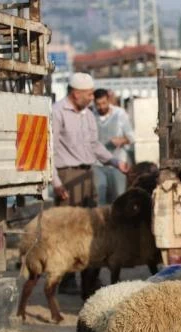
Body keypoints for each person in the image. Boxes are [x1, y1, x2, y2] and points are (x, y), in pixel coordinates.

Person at [51, 73, 129, 294]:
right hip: (67, 176)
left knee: (88, 229)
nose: (92, 97)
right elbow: (50, 150)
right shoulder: (58, 112)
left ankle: (88, 279)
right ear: (76, 94)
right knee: (67, 230)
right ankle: (65, 278)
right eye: (88, 94)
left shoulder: (87, 114)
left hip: (87, 175)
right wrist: (56, 183)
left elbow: (94, 146)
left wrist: (115, 162)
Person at [92, 88, 135, 205]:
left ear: (108, 100)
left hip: (118, 164)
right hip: (97, 164)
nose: (101, 107)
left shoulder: (119, 114)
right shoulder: (91, 115)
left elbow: (131, 137)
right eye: (98, 104)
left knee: (118, 198)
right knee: (99, 198)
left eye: (104, 103)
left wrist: (121, 140)